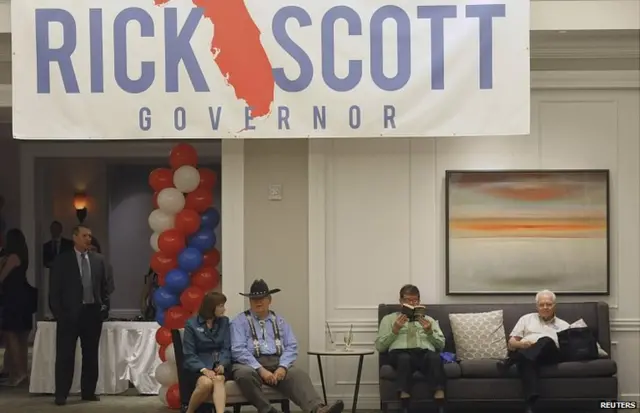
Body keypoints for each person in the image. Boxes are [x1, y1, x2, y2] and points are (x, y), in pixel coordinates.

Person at [231, 279, 344, 413]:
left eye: (262, 298)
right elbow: (238, 350)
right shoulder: (239, 321)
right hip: (249, 363)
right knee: (243, 374)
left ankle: (318, 409)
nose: (258, 302)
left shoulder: (280, 321)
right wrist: (261, 370)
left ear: (269, 300)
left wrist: (283, 367)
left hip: (277, 361)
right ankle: (268, 410)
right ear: (249, 301)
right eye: (254, 299)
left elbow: (291, 346)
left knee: (298, 375)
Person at [49, 224, 115, 406]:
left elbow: (105, 287)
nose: (89, 239)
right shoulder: (62, 261)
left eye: (90, 236)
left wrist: (104, 307)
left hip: (92, 314)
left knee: (91, 355)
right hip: (69, 315)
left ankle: (88, 392)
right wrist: (59, 314)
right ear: (75, 237)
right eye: (85, 235)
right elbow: (54, 291)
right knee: (65, 355)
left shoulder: (98, 260)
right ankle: (61, 394)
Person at [375, 284, 447, 413]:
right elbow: (380, 347)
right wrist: (395, 330)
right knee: (404, 358)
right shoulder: (389, 319)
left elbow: (441, 346)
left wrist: (430, 332)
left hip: (424, 352)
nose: (412, 303)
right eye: (408, 300)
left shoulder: (429, 320)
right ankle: (405, 405)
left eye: (415, 300)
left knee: (434, 357)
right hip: (400, 353)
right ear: (401, 301)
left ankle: (440, 403)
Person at [497, 289, 569, 413]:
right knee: (528, 360)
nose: (545, 307)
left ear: (554, 306)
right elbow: (512, 342)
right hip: (528, 352)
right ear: (537, 306)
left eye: (548, 304)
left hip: (550, 355)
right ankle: (531, 404)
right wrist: (522, 344)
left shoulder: (564, 325)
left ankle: (512, 360)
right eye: (541, 304)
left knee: (545, 340)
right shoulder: (526, 319)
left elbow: (567, 350)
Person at [183, 291, 232, 413]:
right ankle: (189, 411)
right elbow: (189, 353)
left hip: (218, 365)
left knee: (219, 379)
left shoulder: (224, 322)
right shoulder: (192, 324)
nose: (224, 309)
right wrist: (204, 370)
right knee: (205, 383)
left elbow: (227, 347)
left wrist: (222, 364)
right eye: (220, 306)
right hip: (198, 366)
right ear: (211, 307)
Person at [0, 229, 34, 387]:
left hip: (13, 300)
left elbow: (2, 277)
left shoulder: (12, 257)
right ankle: (20, 372)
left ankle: (19, 372)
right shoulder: (22, 256)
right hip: (22, 299)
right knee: (21, 338)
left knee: (11, 334)